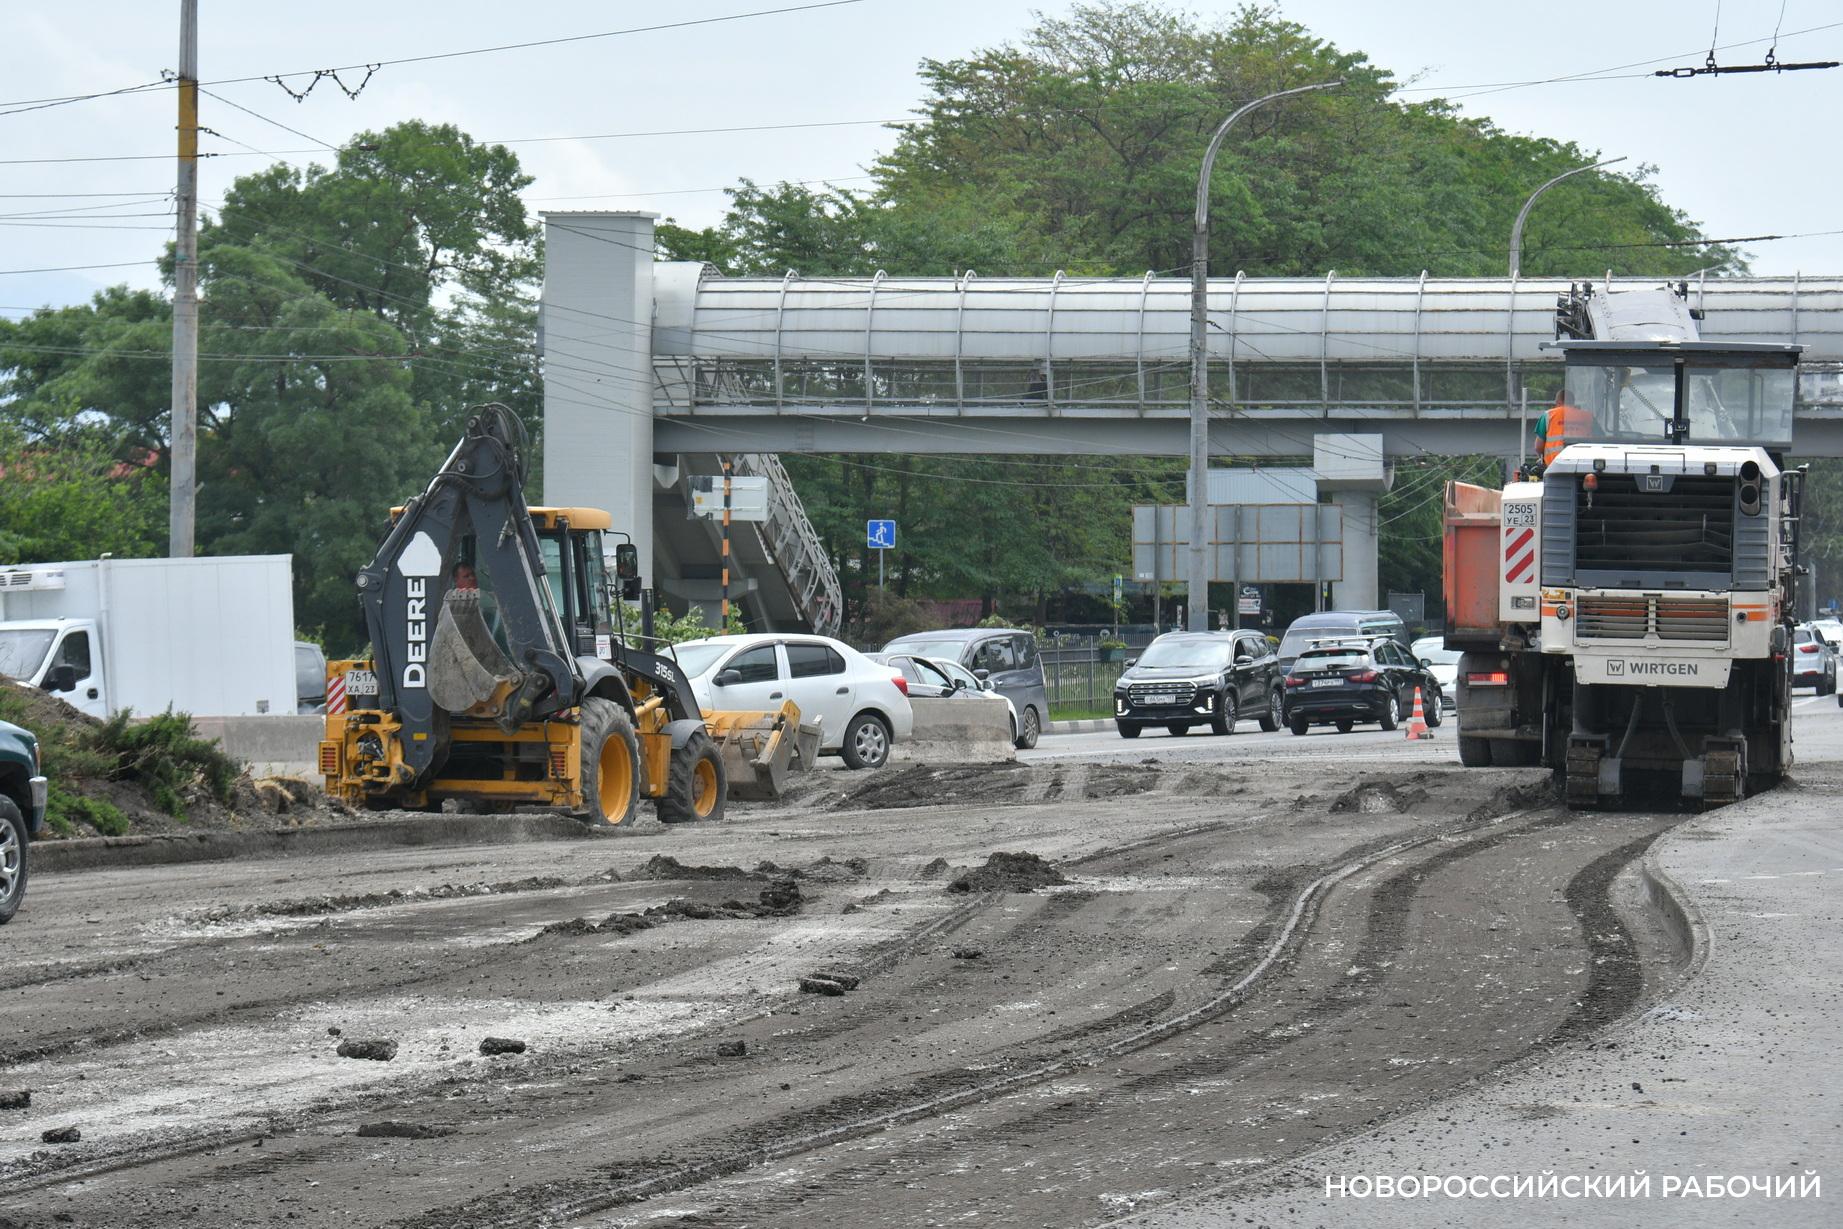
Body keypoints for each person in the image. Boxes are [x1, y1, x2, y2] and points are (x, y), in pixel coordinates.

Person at [1533, 390, 1593, 468]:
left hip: (1554, 466)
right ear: (1573, 402)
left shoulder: (1548, 415)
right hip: (1582, 466)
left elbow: (1538, 447)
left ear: (1558, 402)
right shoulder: (1587, 417)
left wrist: (1543, 460)